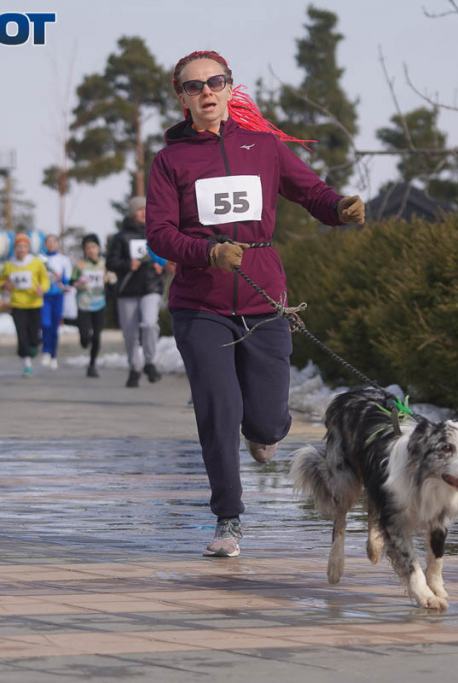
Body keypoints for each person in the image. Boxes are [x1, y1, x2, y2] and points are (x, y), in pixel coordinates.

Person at [146, 50, 365, 558]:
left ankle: (262, 431)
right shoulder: (170, 161)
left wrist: (339, 208)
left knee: (267, 424)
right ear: (181, 97)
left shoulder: (263, 146)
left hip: (265, 297)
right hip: (200, 303)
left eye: (214, 83)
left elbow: (310, 192)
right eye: (194, 86)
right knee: (218, 409)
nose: (206, 93)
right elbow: (158, 234)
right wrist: (208, 252)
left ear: (228, 88)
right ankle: (228, 519)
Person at [106, 196, 165, 388]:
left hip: (151, 287)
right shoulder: (120, 237)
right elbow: (110, 263)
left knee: (149, 324)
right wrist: (126, 264)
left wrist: (161, 267)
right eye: (140, 210)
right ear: (132, 213)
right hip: (127, 290)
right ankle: (134, 368)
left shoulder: (157, 233)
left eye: (146, 210)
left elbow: (168, 256)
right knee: (130, 333)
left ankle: (150, 362)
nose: (144, 213)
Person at [0, 233, 50, 377]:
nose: (21, 249)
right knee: (22, 335)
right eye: (19, 246)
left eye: (24, 246)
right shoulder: (9, 265)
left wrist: (42, 288)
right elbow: (1, 281)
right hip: (17, 304)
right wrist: (5, 285)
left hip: (34, 303)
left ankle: (34, 345)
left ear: (28, 248)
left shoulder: (36, 263)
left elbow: (45, 280)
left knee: (34, 335)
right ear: (15, 248)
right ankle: (27, 364)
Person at [70, 234, 115, 377]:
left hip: (99, 304)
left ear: (98, 248)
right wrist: (77, 284)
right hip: (83, 303)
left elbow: (114, 280)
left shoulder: (105, 264)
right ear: (84, 250)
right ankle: (84, 340)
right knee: (85, 336)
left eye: (93, 247)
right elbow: (72, 281)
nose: (91, 250)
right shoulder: (80, 265)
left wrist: (108, 280)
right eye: (87, 248)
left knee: (96, 336)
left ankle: (92, 364)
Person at [39, 234, 72, 370]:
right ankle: (46, 351)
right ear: (45, 244)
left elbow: (67, 281)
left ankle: (53, 355)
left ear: (57, 244)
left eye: (53, 242)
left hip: (58, 297)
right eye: (48, 242)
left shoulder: (63, 260)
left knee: (54, 327)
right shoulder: (40, 259)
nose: (51, 244)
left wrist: (61, 282)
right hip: (44, 296)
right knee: (45, 324)